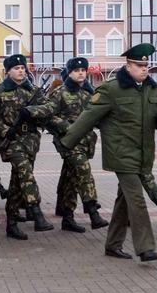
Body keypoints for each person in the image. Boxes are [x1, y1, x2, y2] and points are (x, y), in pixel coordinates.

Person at [61, 43, 157, 262]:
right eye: (139, 65)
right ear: (128, 66)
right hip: (120, 153)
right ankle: (145, 248)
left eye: (146, 65)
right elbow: (88, 117)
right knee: (136, 198)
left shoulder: (153, 89)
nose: (144, 69)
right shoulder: (112, 89)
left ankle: (112, 245)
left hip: (143, 153)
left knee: (124, 200)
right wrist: (67, 142)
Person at [29, 57, 108, 234]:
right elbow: (48, 116)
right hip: (69, 141)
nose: (81, 73)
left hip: (86, 141)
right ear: (70, 72)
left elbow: (97, 114)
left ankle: (67, 217)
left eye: (83, 70)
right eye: (76, 70)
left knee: (71, 178)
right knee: (83, 170)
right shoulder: (61, 92)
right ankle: (92, 210)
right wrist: (67, 127)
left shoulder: (89, 93)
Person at [0, 54, 54, 240]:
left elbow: (49, 108)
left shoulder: (33, 90)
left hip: (30, 140)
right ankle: (36, 212)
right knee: (25, 173)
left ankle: (11, 225)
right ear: (8, 71)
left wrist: (31, 111)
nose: (21, 71)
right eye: (16, 68)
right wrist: (4, 130)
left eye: (22, 68)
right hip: (12, 141)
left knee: (17, 183)